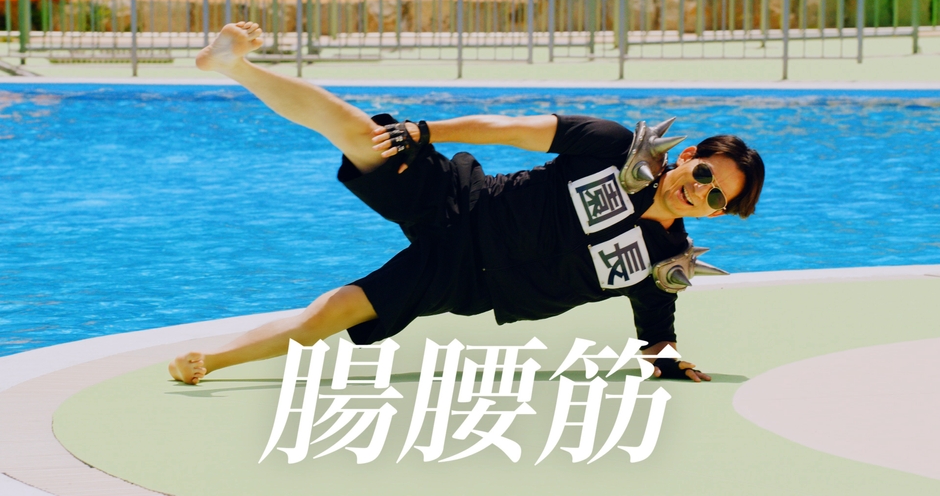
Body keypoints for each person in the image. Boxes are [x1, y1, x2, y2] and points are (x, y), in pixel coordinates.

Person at [169, 21, 765, 385]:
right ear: (689, 156)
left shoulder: (663, 264)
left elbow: (655, 334)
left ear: (718, 213)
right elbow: (511, 130)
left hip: (461, 280)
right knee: (365, 137)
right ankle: (234, 65)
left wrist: (666, 360)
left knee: (332, 315)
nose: (701, 191)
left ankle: (209, 361)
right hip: (465, 203)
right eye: (705, 174)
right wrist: (424, 131)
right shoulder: (611, 146)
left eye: (717, 197)